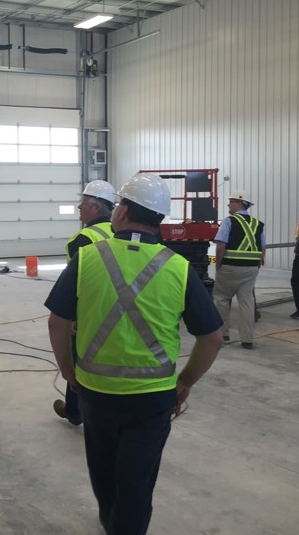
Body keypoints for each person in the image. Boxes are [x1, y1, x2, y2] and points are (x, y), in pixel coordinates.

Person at [45, 172, 223, 535]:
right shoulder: (178, 267)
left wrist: (68, 370)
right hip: (152, 398)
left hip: (95, 391)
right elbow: (213, 338)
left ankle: (111, 522)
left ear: (122, 212)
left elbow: (57, 322)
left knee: (104, 471)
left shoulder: (88, 257)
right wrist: (185, 382)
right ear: (159, 220)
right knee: (137, 483)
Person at [53, 180, 116, 427]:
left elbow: (78, 286)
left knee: (78, 361)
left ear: (95, 208)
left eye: (83, 203)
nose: (79, 207)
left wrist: (72, 317)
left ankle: (75, 411)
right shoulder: (119, 231)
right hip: (122, 309)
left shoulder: (83, 238)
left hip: (91, 312)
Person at [212, 190, 265, 349]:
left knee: (221, 298)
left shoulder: (229, 221)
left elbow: (221, 245)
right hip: (250, 269)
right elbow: (262, 247)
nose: (228, 204)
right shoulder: (258, 224)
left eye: (231, 201)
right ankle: (247, 339)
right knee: (247, 302)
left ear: (240, 203)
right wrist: (257, 264)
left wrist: (218, 265)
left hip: (230, 266)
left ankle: (223, 334)